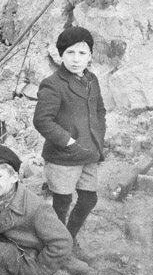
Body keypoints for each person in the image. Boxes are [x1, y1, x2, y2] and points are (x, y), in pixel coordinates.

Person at [0, 144, 85, 275]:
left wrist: (39, 270)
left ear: (14, 178)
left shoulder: (36, 208)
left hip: (28, 260)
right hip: (9, 247)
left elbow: (63, 242)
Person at [33, 27, 106, 250]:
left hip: (88, 153)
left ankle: (68, 237)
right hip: (64, 156)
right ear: (60, 55)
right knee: (62, 202)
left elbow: (100, 110)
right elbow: (42, 120)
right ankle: (57, 244)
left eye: (82, 53)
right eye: (70, 53)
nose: (76, 59)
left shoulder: (92, 79)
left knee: (89, 198)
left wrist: (98, 136)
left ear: (90, 56)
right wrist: (67, 141)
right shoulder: (53, 84)